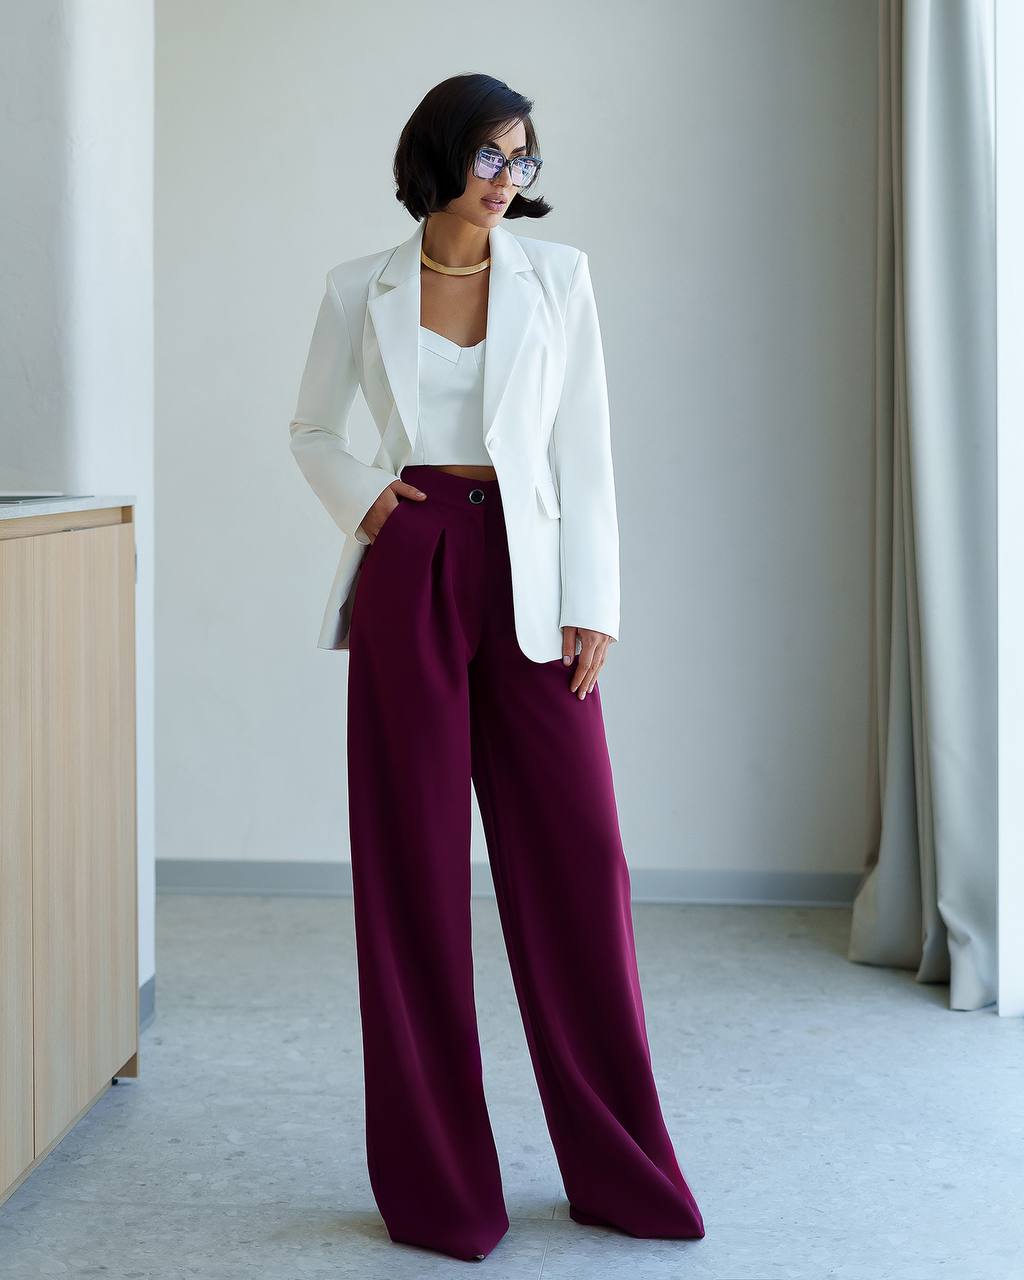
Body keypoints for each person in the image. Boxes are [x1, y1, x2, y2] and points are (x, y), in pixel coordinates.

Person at [288, 72, 705, 1265]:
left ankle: (622, 1171)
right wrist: (372, 505)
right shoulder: (353, 288)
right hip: (413, 557)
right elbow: (310, 427)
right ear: (437, 157)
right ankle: (439, 1190)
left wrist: (596, 604)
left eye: (521, 158)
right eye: (487, 155)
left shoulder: (557, 277)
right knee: (410, 877)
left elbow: (586, 447)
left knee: (580, 865)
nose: (506, 179)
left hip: (533, 578)